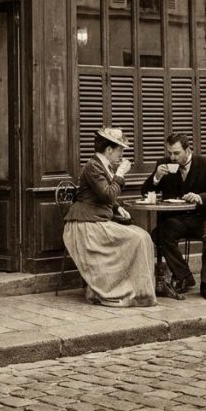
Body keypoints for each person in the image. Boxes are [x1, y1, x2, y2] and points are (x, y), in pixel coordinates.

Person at [63, 127, 156, 308]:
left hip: (96, 220)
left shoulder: (102, 165)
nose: (121, 154)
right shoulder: (93, 166)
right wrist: (120, 173)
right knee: (136, 238)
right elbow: (107, 194)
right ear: (109, 150)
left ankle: (139, 290)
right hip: (85, 225)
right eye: (120, 150)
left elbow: (104, 196)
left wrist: (118, 208)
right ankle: (119, 289)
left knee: (143, 236)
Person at [140, 133, 206, 301]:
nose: (172, 157)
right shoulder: (163, 165)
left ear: (188, 150)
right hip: (178, 219)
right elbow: (145, 192)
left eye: (176, 153)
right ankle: (184, 276)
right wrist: (156, 177)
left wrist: (200, 197)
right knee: (159, 234)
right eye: (169, 153)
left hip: (205, 216)